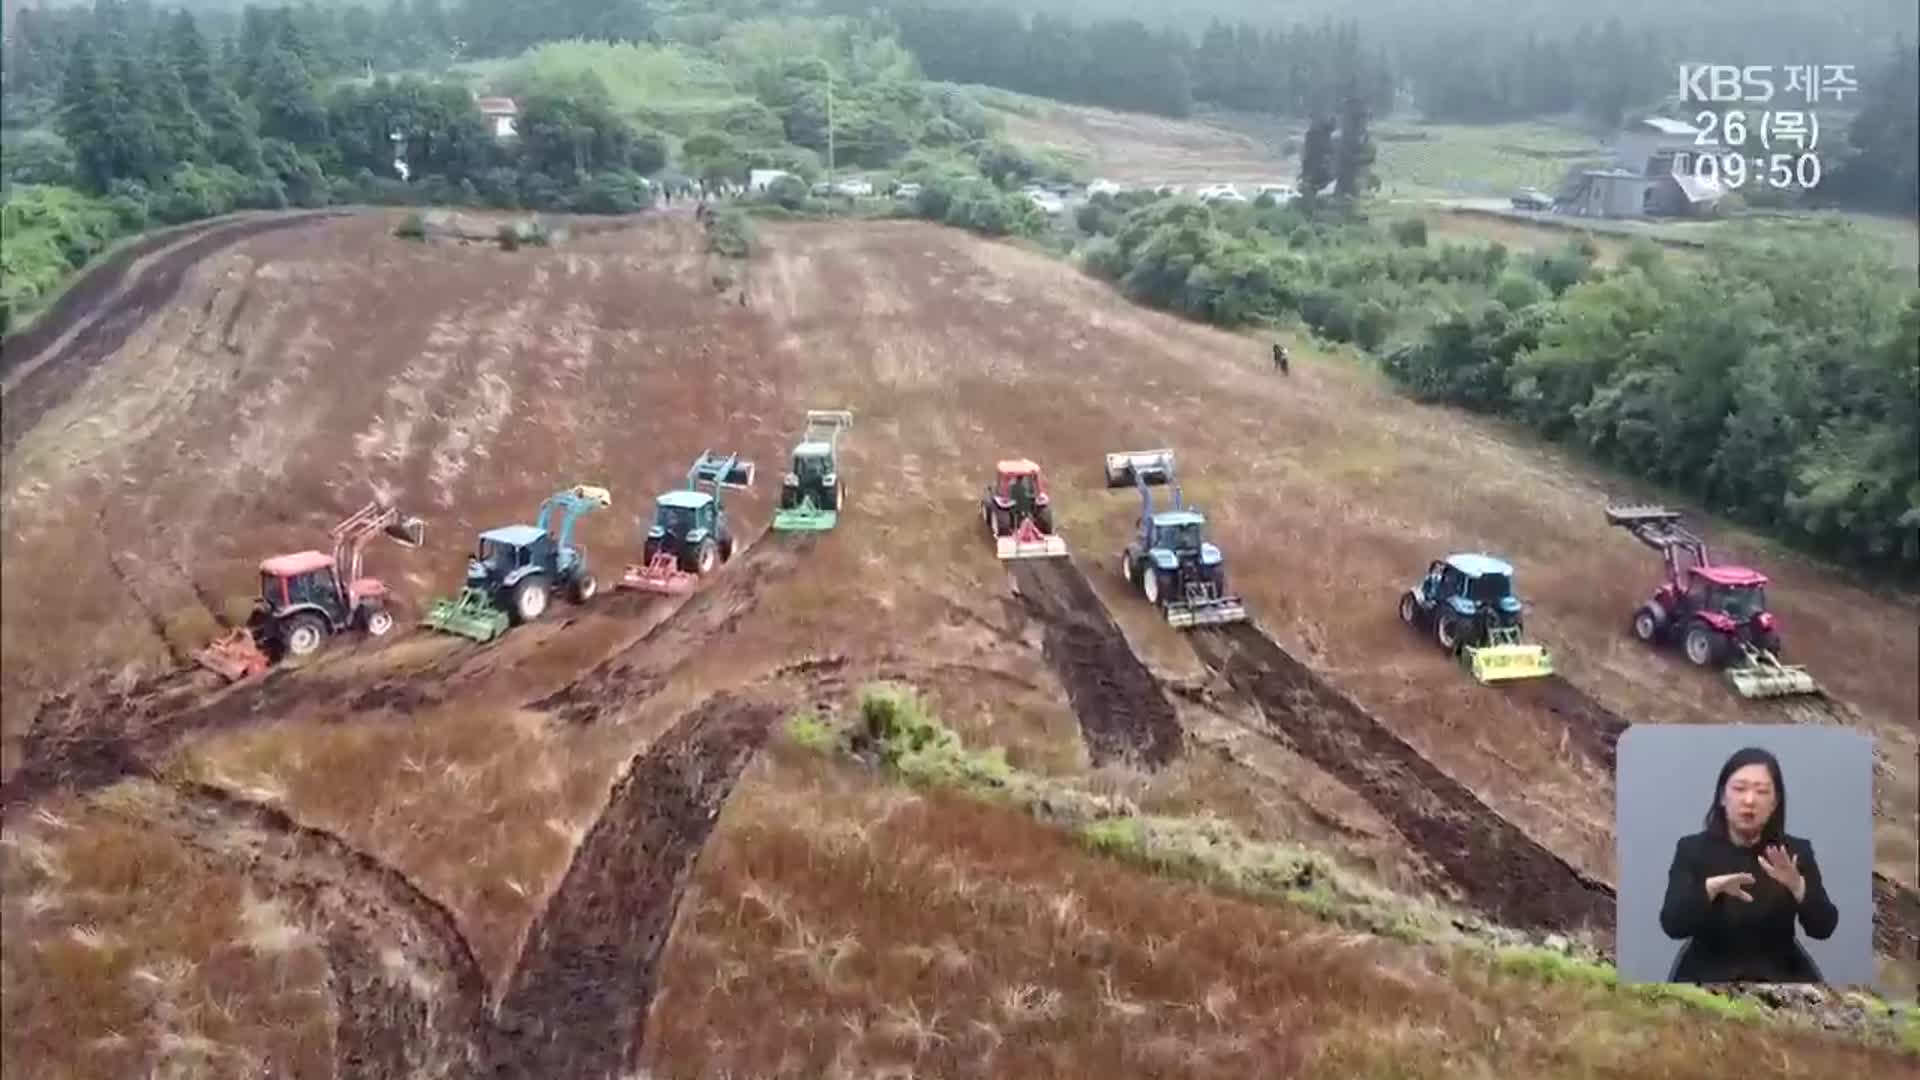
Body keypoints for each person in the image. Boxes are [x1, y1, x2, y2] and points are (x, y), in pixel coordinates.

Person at [1658, 746, 1838, 983]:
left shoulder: (1794, 851)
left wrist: (1798, 886)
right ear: (1722, 796)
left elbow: (1823, 928)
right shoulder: (1693, 849)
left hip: (1780, 975)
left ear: (1774, 803)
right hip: (1707, 974)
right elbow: (1672, 925)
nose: (1749, 800)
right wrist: (1711, 888)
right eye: (1739, 789)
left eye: (1762, 791)